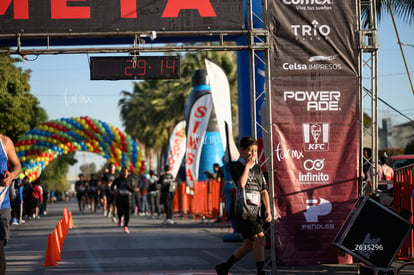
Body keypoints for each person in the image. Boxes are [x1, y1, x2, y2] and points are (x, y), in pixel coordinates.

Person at [215, 136, 272, 275]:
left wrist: (269, 211)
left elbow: (264, 191)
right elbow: (241, 184)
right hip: (243, 211)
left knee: (249, 244)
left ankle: (224, 267)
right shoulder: (235, 166)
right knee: (260, 238)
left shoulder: (258, 169)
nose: (252, 154)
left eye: (255, 151)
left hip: (256, 211)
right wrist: (247, 166)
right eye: (250, 151)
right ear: (241, 150)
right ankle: (261, 271)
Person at [0, 133, 21, 275]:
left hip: (2, 204)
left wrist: (11, 176)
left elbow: (17, 166)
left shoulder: (5, 142)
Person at [111, 167, 134, 234]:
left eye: (126, 172)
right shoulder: (117, 180)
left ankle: (125, 226)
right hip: (119, 197)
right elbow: (112, 187)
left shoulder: (129, 179)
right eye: (124, 172)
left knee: (127, 213)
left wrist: (133, 189)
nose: (125, 174)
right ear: (121, 173)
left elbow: (132, 188)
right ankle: (120, 218)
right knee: (120, 211)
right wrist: (114, 191)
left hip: (127, 198)